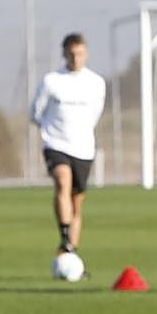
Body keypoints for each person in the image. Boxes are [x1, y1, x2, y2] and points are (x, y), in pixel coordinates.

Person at [31, 32, 106, 259]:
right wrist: (50, 130)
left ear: (86, 54)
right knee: (62, 181)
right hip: (56, 143)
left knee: (76, 202)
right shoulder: (51, 81)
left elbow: (96, 113)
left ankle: (70, 251)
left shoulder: (96, 83)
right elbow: (35, 113)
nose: (76, 58)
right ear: (64, 54)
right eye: (71, 54)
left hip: (83, 147)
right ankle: (64, 236)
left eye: (80, 54)